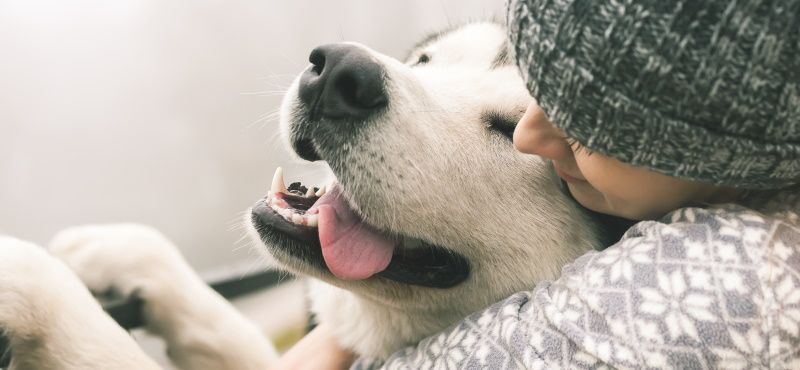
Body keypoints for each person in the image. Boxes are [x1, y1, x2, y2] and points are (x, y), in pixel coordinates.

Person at [276, 0, 800, 368]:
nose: (531, 130)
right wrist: (342, 337)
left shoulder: (736, 277)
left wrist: (345, 346)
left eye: (501, 127)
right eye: (425, 60)